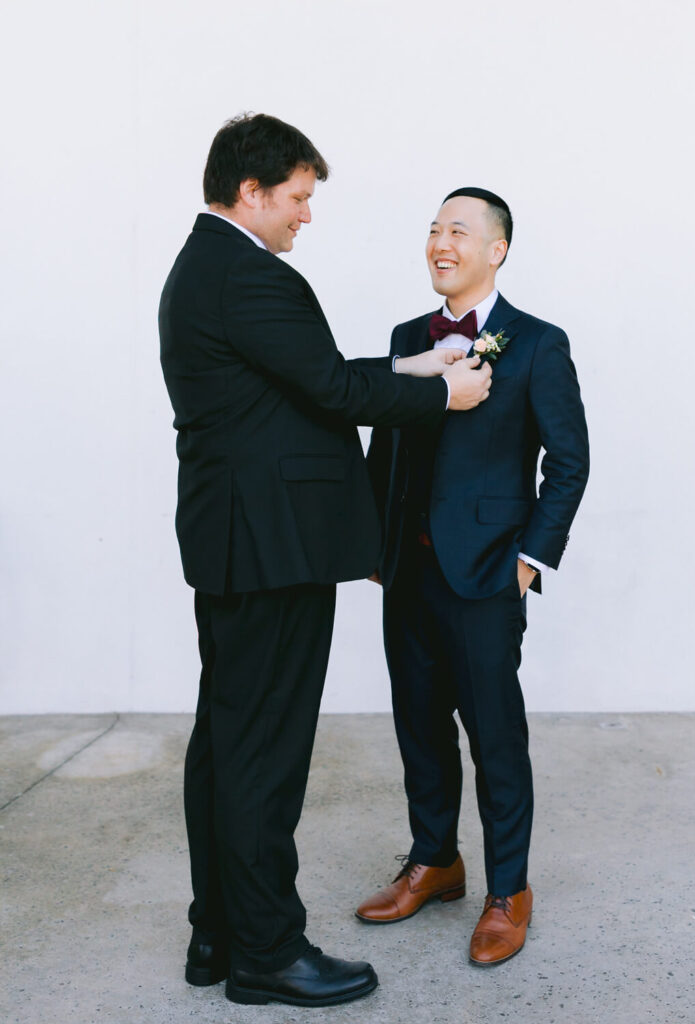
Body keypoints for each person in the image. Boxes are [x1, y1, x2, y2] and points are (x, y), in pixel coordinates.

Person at [158, 117, 492, 1008]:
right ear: (251, 192)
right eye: (299, 198)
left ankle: (218, 928)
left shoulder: (209, 269)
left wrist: (414, 362)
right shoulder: (249, 273)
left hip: (238, 539)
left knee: (227, 745)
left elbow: (302, 376)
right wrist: (444, 394)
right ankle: (267, 950)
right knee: (265, 753)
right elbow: (336, 393)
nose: (307, 216)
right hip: (272, 545)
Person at [357, 187, 589, 966]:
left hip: (488, 575)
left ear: (497, 249)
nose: (439, 243)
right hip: (408, 575)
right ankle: (437, 861)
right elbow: (386, 452)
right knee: (417, 724)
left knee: (495, 737)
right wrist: (374, 551)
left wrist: (530, 561)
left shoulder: (537, 343)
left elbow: (569, 460)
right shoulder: (405, 338)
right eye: (431, 230)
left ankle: (509, 890)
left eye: (458, 230)